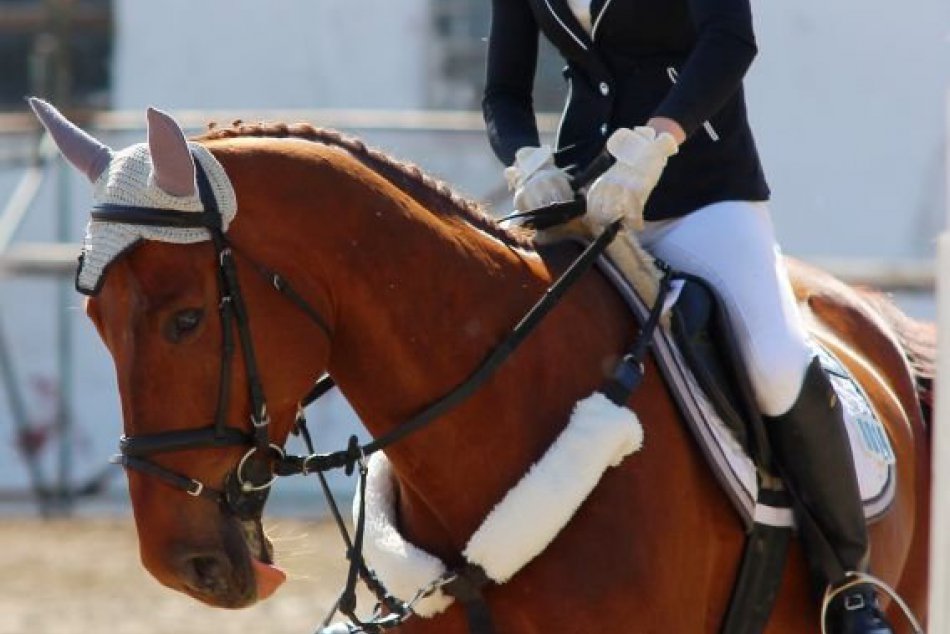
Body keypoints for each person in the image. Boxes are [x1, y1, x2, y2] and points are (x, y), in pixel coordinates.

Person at [482, 1, 895, 633]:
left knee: (775, 366)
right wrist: (524, 161)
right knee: (508, 348)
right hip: (585, 199)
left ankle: (850, 584)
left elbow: (731, 41)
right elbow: (503, 92)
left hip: (701, 195)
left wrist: (659, 140)